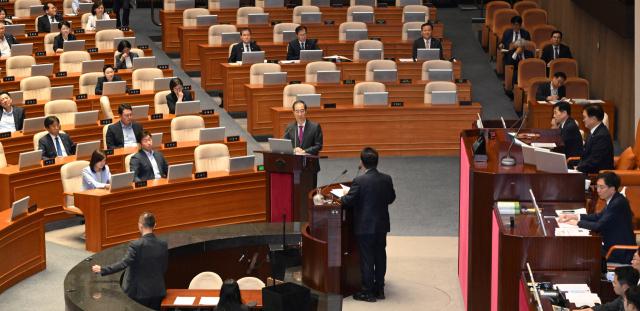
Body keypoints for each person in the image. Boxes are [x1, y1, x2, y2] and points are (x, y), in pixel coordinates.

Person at [341, 147, 396, 302]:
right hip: (381, 226)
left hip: (365, 227)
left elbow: (348, 201)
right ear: (377, 162)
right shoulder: (387, 178)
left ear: (362, 163)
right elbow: (391, 198)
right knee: (380, 256)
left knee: (367, 258)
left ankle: (367, 293)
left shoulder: (359, 181)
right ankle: (379, 290)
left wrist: (345, 195)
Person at [92, 211, 168, 311]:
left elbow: (124, 263)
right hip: (157, 291)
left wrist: (103, 269)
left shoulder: (136, 245)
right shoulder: (163, 243)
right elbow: (164, 267)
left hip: (138, 294)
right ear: (154, 225)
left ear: (140, 225)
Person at [558, 172, 635, 264]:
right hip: (609, 244)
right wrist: (574, 217)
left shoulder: (617, 203)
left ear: (612, 189)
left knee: (576, 252)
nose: (598, 190)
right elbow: (598, 216)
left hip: (618, 251)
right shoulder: (615, 199)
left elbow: (598, 226)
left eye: (601, 187)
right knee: (577, 247)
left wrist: (577, 223)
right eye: (597, 186)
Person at [282, 100, 323, 188]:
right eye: (297, 111)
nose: (299, 114)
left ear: (306, 111)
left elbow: (318, 146)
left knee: (310, 191)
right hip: (294, 166)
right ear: (293, 113)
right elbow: (285, 145)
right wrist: (293, 150)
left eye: (302, 111)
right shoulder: (289, 128)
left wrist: (304, 151)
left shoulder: (315, 127)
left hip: (310, 166)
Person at [576, 103, 614, 174]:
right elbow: (585, 154)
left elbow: (594, 160)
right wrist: (579, 166)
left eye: (584, 117)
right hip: (588, 169)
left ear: (593, 119)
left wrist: (579, 168)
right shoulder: (594, 131)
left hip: (596, 174)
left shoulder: (602, 136)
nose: (583, 120)